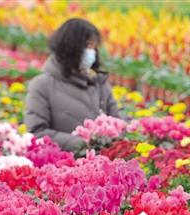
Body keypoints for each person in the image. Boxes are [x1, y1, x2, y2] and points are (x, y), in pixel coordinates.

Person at [25, 18, 121, 153]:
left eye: (94, 47)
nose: (91, 53)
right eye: (88, 46)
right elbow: (37, 132)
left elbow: (118, 120)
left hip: (103, 163)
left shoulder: (99, 82)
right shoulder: (42, 85)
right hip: (64, 165)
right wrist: (82, 143)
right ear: (70, 48)